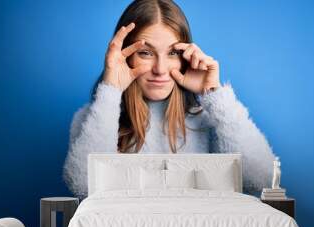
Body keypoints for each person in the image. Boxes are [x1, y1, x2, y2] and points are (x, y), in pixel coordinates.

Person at [63, 0, 276, 200]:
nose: (160, 69)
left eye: (173, 52)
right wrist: (110, 91)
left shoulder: (208, 120)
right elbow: (82, 187)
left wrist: (215, 94)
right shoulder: (93, 118)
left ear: (185, 57)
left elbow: (261, 181)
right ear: (125, 56)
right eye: (146, 53)